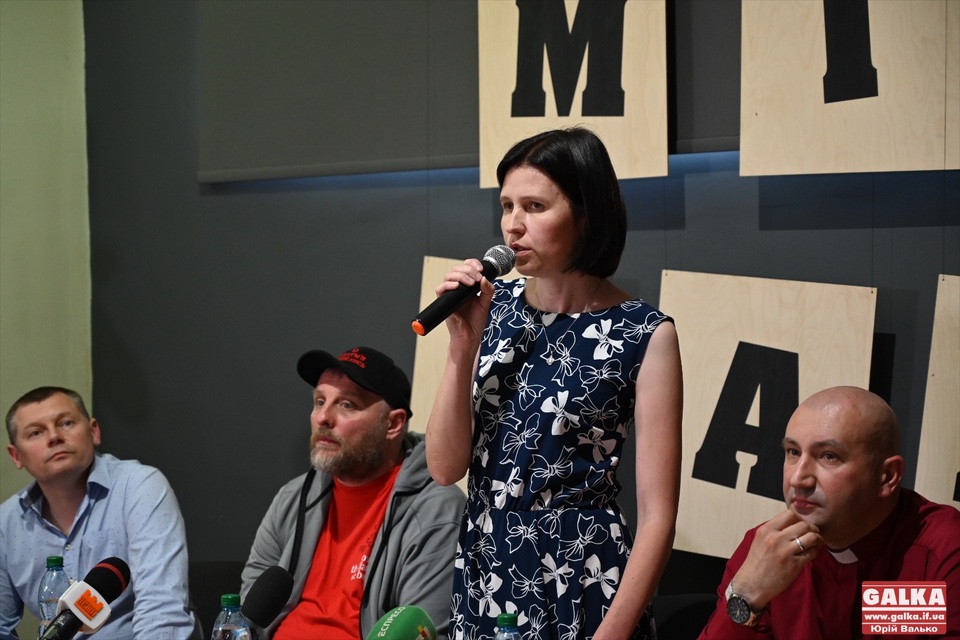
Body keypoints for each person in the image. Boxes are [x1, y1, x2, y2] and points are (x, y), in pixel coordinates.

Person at [424, 127, 683, 639]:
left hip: (581, 571)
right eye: (506, 206)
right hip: (488, 563)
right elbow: (444, 467)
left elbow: (658, 517)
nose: (513, 225)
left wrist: (611, 634)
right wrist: (461, 347)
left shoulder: (643, 332)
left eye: (535, 207)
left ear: (586, 215)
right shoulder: (490, 308)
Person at [698, 385, 960, 639]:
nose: (798, 479)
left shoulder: (942, 549)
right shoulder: (765, 550)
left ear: (887, 476)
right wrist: (747, 596)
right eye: (793, 452)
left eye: (829, 456)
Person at [241, 346, 466, 639]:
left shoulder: (437, 512)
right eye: (319, 401)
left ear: (393, 424)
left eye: (346, 404)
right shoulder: (292, 498)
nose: (323, 417)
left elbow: (422, 628)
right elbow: (250, 612)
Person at [0, 386, 202, 639]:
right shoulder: (6, 522)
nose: (54, 437)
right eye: (36, 432)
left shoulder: (139, 486)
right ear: (16, 456)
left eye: (66, 423)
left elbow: (161, 611)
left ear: (94, 431)